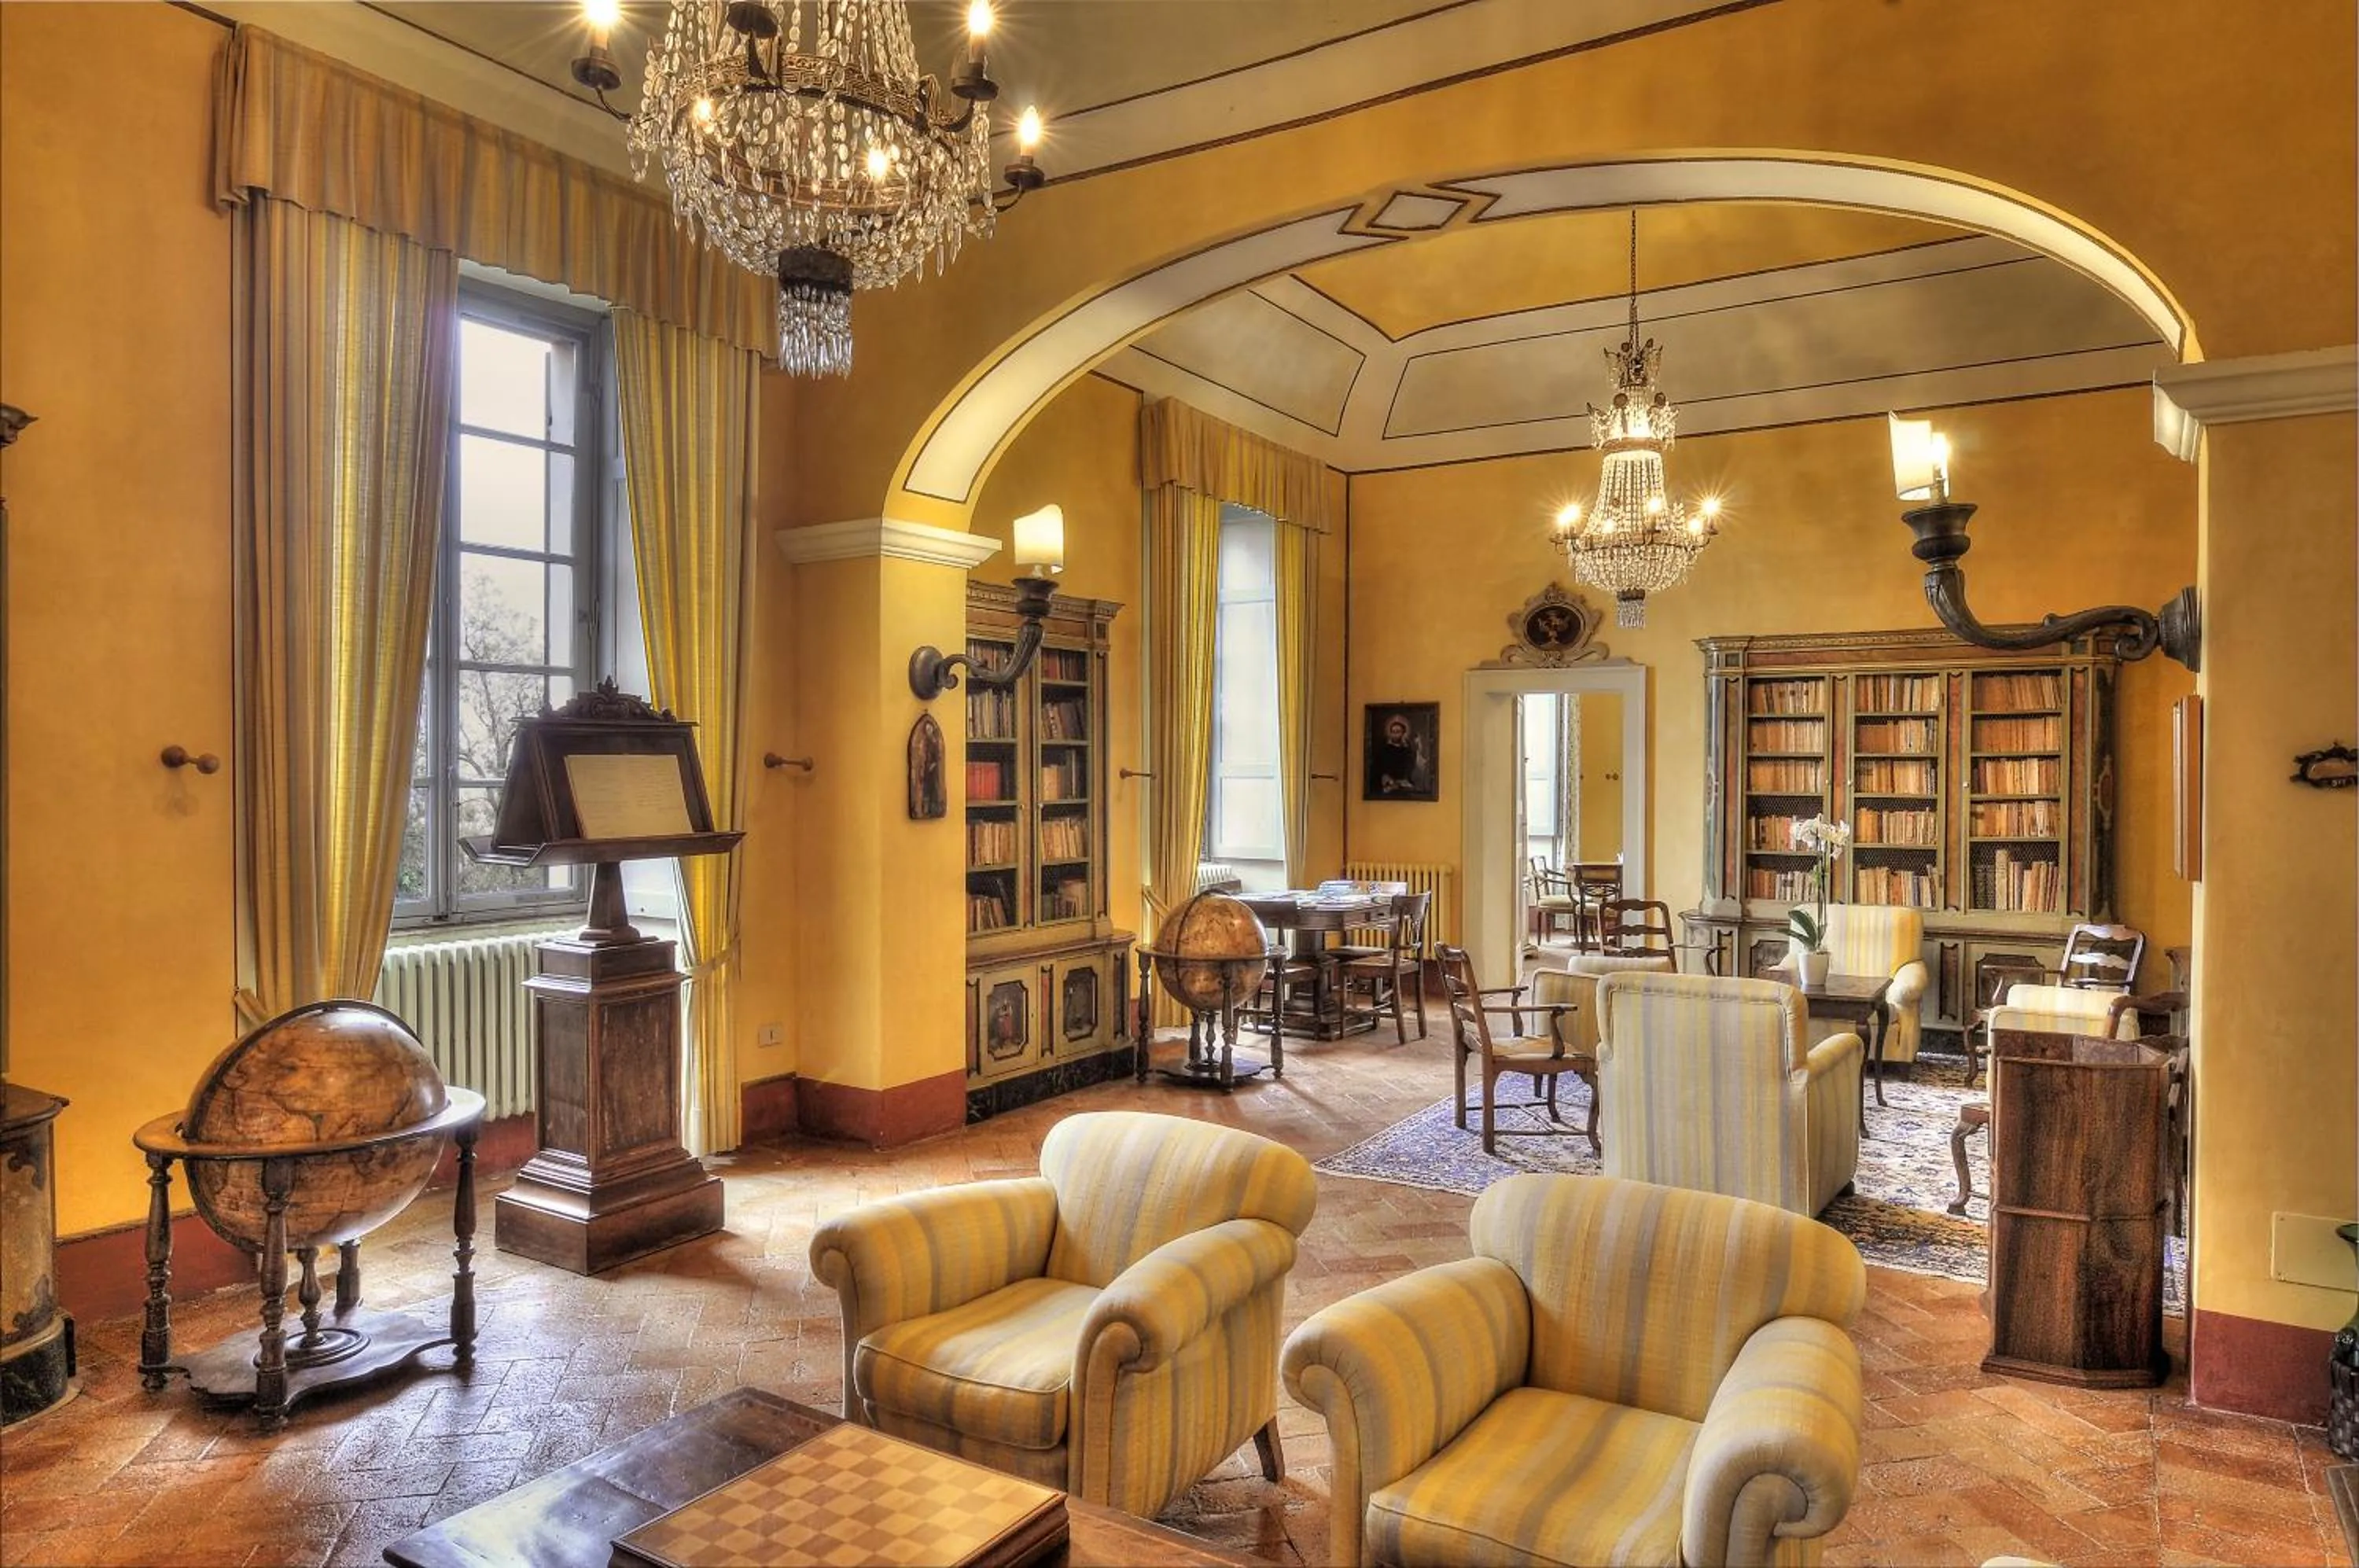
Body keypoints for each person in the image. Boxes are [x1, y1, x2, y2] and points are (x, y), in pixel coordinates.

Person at [1371, 711, 1430, 797]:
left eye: (1398, 731)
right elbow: (1378, 768)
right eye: (1393, 732)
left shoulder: (1408, 751)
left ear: (1403, 733)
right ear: (1390, 733)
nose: (1395, 734)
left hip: (1404, 783)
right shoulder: (1384, 750)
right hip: (1388, 784)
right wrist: (1386, 778)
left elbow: (1411, 768)